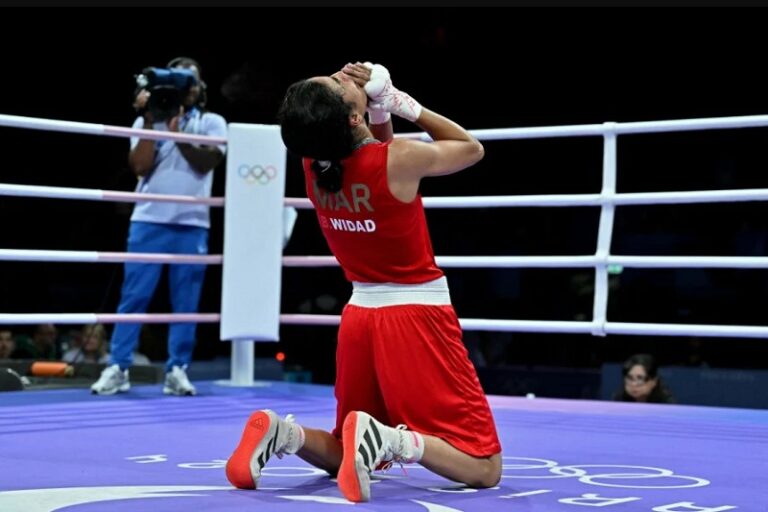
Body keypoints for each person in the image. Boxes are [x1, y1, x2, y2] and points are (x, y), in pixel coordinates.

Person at [225, 62, 501, 502]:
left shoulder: (314, 165)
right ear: (352, 118)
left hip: (360, 318)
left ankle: (284, 434)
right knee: (484, 466)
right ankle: (393, 441)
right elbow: (470, 149)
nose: (342, 75)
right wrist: (401, 104)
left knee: (346, 444)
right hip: (417, 318)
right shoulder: (399, 160)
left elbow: (375, 156)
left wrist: (375, 111)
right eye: (337, 83)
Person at [91, 57, 227, 396]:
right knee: (134, 296)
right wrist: (153, 119)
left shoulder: (212, 122)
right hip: (148, 220)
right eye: (179, 80)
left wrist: (179, 134)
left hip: (192, 223)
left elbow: (207, 162)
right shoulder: (145, 119)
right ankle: (118, 366)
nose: (185, 87)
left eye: (190, 80)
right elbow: (139, 167)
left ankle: (177, 369)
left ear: (199, 87)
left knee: (186, 302)